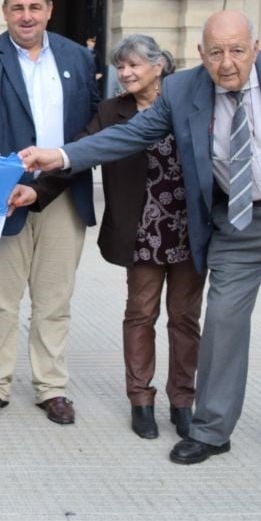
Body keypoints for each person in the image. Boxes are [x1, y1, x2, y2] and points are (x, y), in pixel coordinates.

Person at [19, 10, 261, 484]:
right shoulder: (183, 91)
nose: (227, 63)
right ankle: (211, 430)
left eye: (238, 50)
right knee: (221, 328)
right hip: (239, 226)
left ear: (255, 48)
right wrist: (61, 155)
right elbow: (129, 134)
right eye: (216, 52)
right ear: (201, 54)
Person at [0, 0, 99, 426]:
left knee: (54, 299)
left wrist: (57, 170)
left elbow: (90, 127)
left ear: (49, 10)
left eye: (35, 7)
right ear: (4, 12)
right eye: (17, 8)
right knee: (0, 299)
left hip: (62, 190)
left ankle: (51, 387)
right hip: (8, 195)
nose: (26, 16)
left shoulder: (78, 56)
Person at [73, 34, 205, 440]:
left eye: (133, 65)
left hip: (188, 229)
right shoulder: (112, 110)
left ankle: (182, 401)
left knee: (185, 319)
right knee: (141, 314)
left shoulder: (190, 103)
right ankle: (141, 400)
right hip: (142, 232)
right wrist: (38, 175)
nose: (125, 73)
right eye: (121, 66)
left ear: (159, 66)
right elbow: (83, 150)